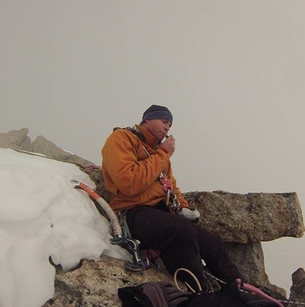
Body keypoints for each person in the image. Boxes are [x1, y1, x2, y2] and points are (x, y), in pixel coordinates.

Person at [101, 105, 281, 306]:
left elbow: (171, 187)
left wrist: (183, 208)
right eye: (164, 121)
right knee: (179, 231)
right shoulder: (122, 139)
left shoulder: (159, 154)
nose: (167, 127)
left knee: (212, 243)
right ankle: (200, 293)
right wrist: (162, 155)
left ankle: (239, 290)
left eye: (170, 124)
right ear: (147, 120)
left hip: (162, 213)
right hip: (135, 211)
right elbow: (129, 183)